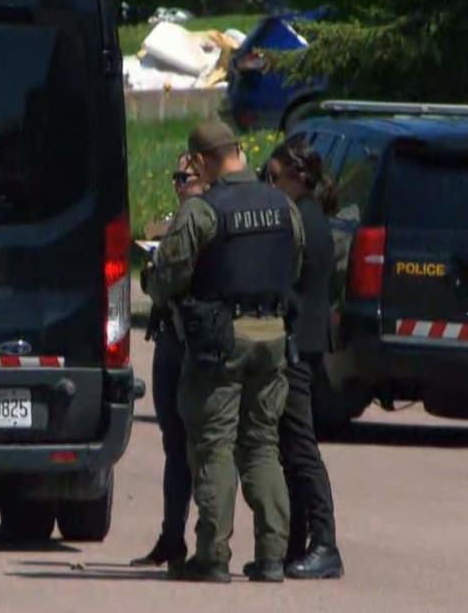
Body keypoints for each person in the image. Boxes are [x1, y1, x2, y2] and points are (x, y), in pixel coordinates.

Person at [146, 120, 304, 584]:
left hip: (221, 341)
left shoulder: (203, 210)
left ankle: (212, 556)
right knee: (262, 445)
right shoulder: (282, 205)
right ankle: (273, 555)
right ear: (237, 149)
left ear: (199, 160)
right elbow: (293, 263)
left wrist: (158, 285)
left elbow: (167, 276)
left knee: (213, 444)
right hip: (273, 335)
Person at [264, 139, 344, 579]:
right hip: (303, 341)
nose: (272, 186)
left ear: (298, 178)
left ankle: (325, 542)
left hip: (300, 344)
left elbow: (293, 285)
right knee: (290, 449)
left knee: (300, 446)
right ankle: (297, 542)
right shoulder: (306, 216)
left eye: (276, 178)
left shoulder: (305, 221)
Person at [131, 153, 204, 571]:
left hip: (191, 340)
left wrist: (157, 273)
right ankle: (171, 537)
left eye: (187, 177)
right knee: (173, 444)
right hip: (170, 338)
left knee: (193, 446)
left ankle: (200, 543)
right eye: (176, 177)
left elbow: (168, 281)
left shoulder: (202, 218)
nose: (179, 185)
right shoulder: (182, 218)